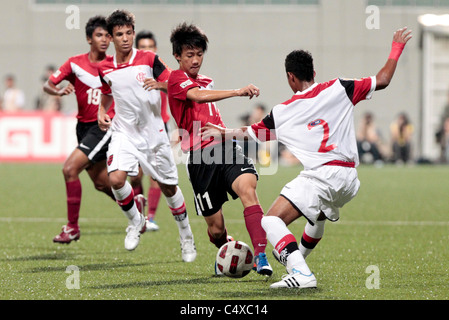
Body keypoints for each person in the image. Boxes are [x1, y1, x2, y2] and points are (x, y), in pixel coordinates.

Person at [201, 27, 412, 288]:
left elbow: (250, 132)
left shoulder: (283, 111)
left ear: (290, 77)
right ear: (313, 72)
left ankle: (301, 273)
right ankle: (297, 258)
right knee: (319, 214)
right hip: (349, 180)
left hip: (322, 175)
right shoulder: (340, 87)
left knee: (271, 220)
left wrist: (223, 132)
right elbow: (383, 79)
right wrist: (396, 47)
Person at [167, 22, 272, 276]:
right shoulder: (176, 79)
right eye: (189, 55)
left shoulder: (206, 80)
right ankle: (226, 250)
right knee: (215, 229)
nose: (195, 60)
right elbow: (198, 97)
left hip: (225, 147)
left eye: (199, 54)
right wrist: (238, 91)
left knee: (248, 188)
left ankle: (260, 256)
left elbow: (204, 97)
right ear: (177, 56)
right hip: (200, 158)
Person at [97, 10, 196, 261]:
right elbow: (108, 90)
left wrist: (159, 84)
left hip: (154, 134)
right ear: (111, 38)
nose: (126, 38)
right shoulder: (105, 67)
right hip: (124, 132)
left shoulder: (149, 59)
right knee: (117, 180)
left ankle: (186, 237)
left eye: (129, 33)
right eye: (119, 34)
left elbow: (175, 81)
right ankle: (136, 221)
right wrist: (101, 110)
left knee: (169, 187)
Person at [43, 16, 116, 244]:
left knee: (69, 169)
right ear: (88, 38)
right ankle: (134, 202)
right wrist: (57, 92)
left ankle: (72, 227)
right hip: (83, 127)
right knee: (101, 182)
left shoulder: (115, 65)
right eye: (99, 35)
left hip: (103, 126)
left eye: (107, 35)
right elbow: (49, 84)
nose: (104, 40)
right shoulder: (75, 63)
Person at [128, 30, 173, 232]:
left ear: (155, 50)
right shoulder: (128, 71)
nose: (147, 50)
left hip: (158, 127)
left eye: (150, 47)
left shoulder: (161, 71)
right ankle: (139, 217)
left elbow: (177, 87)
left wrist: (160, 84)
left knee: (155, 175)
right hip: (134, 128)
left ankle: (151, 217)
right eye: (143, 47)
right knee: (135, 175)